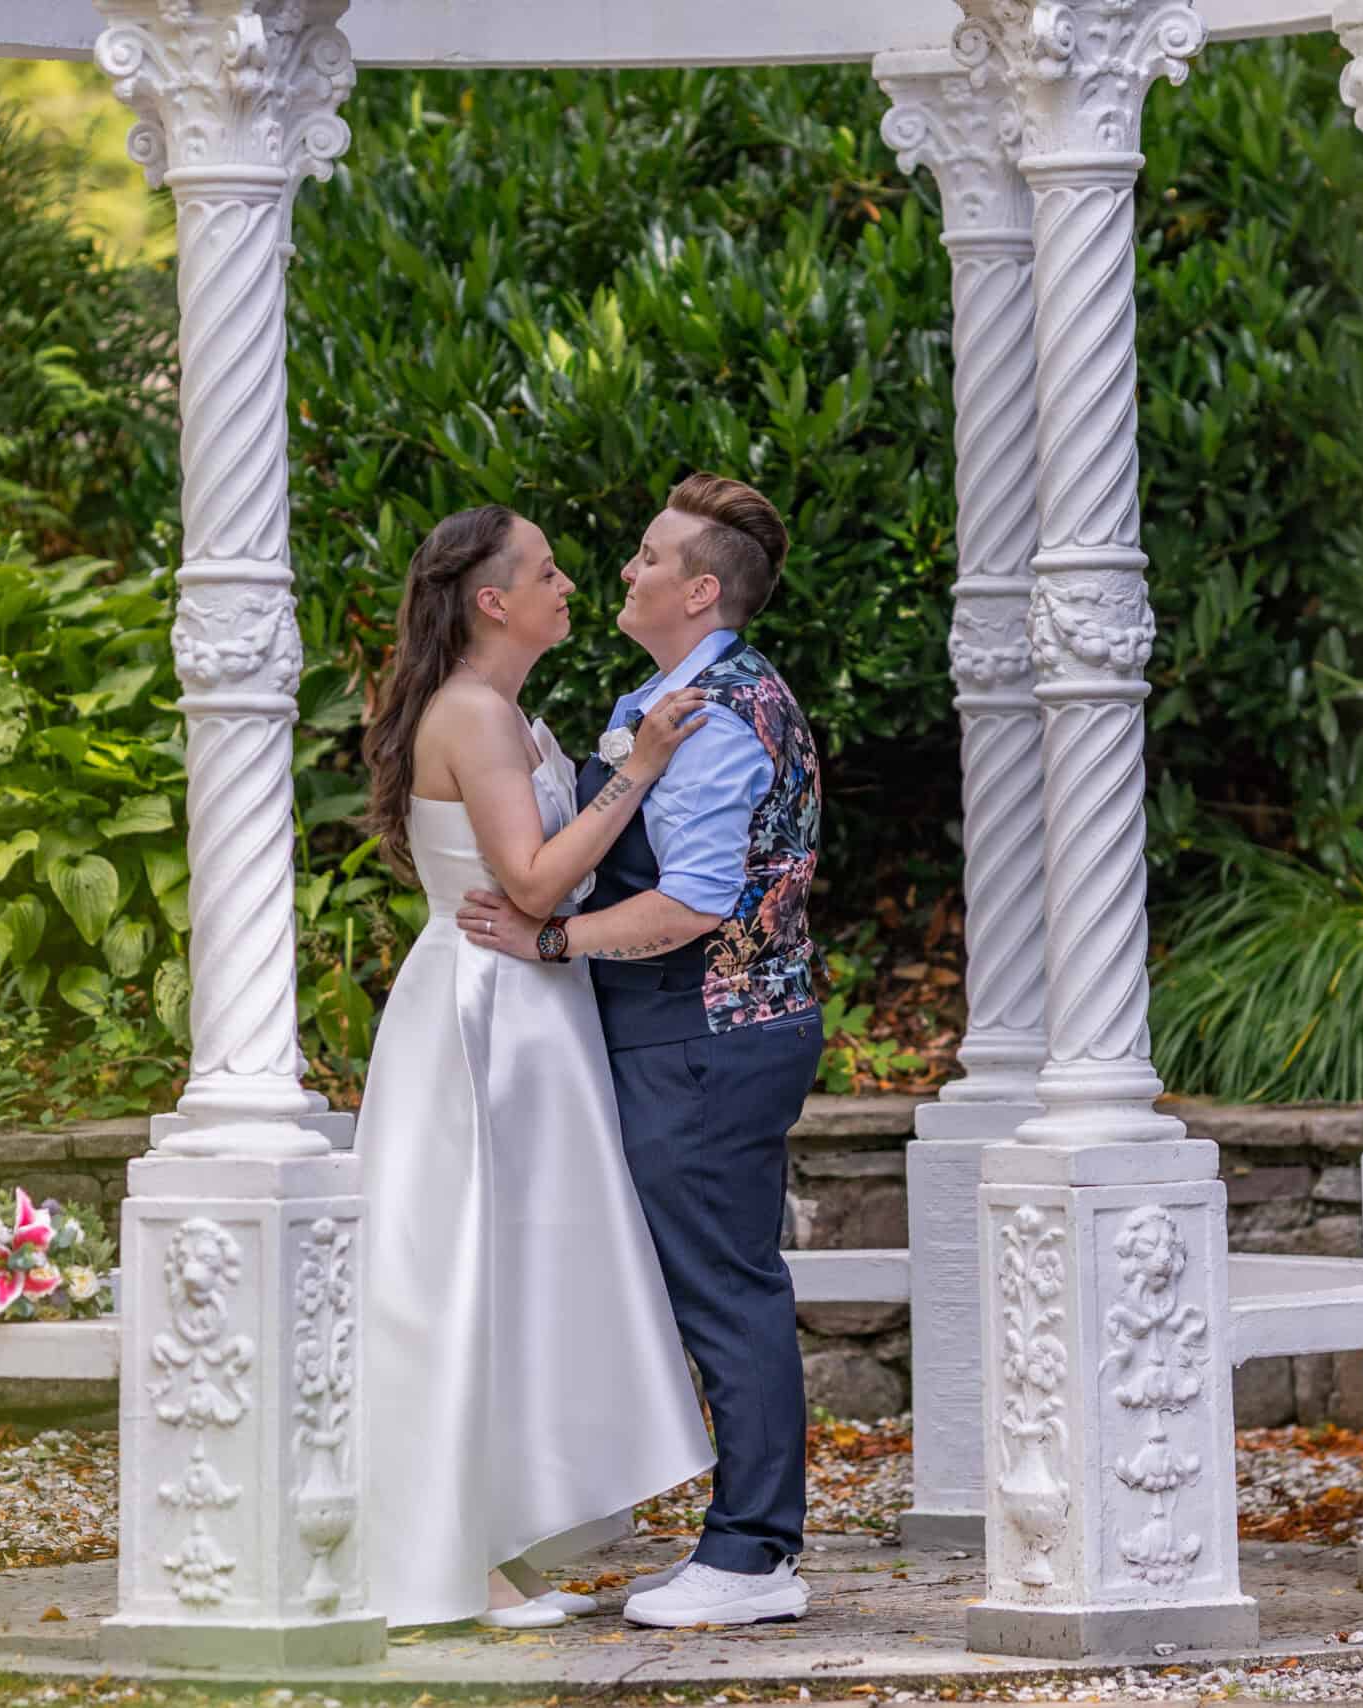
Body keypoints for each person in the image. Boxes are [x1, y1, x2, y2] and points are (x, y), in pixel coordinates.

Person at [457, 473, 826, 1629]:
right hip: (694, 1031)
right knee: (704, 1284)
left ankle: (754, 1554)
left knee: (727, 1289)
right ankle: (724, 1533)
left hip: (709, 1031)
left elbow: (691, 906)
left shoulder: (717, 714)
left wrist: (550, 936)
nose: (627, 568)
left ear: (701, 588)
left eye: (650, 557)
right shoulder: (677, 700)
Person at [356, 503, 714, 1629]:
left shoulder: (501, 711)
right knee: (462, 1273)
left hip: (530, 1008)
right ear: (491, 600)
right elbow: (529, 882)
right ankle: (450, 1553)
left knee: (514, 1280)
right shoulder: (471, 713)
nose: (571, 584)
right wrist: (641, 768)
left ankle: (492, 1534)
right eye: (547, 572)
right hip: (488, 1013)